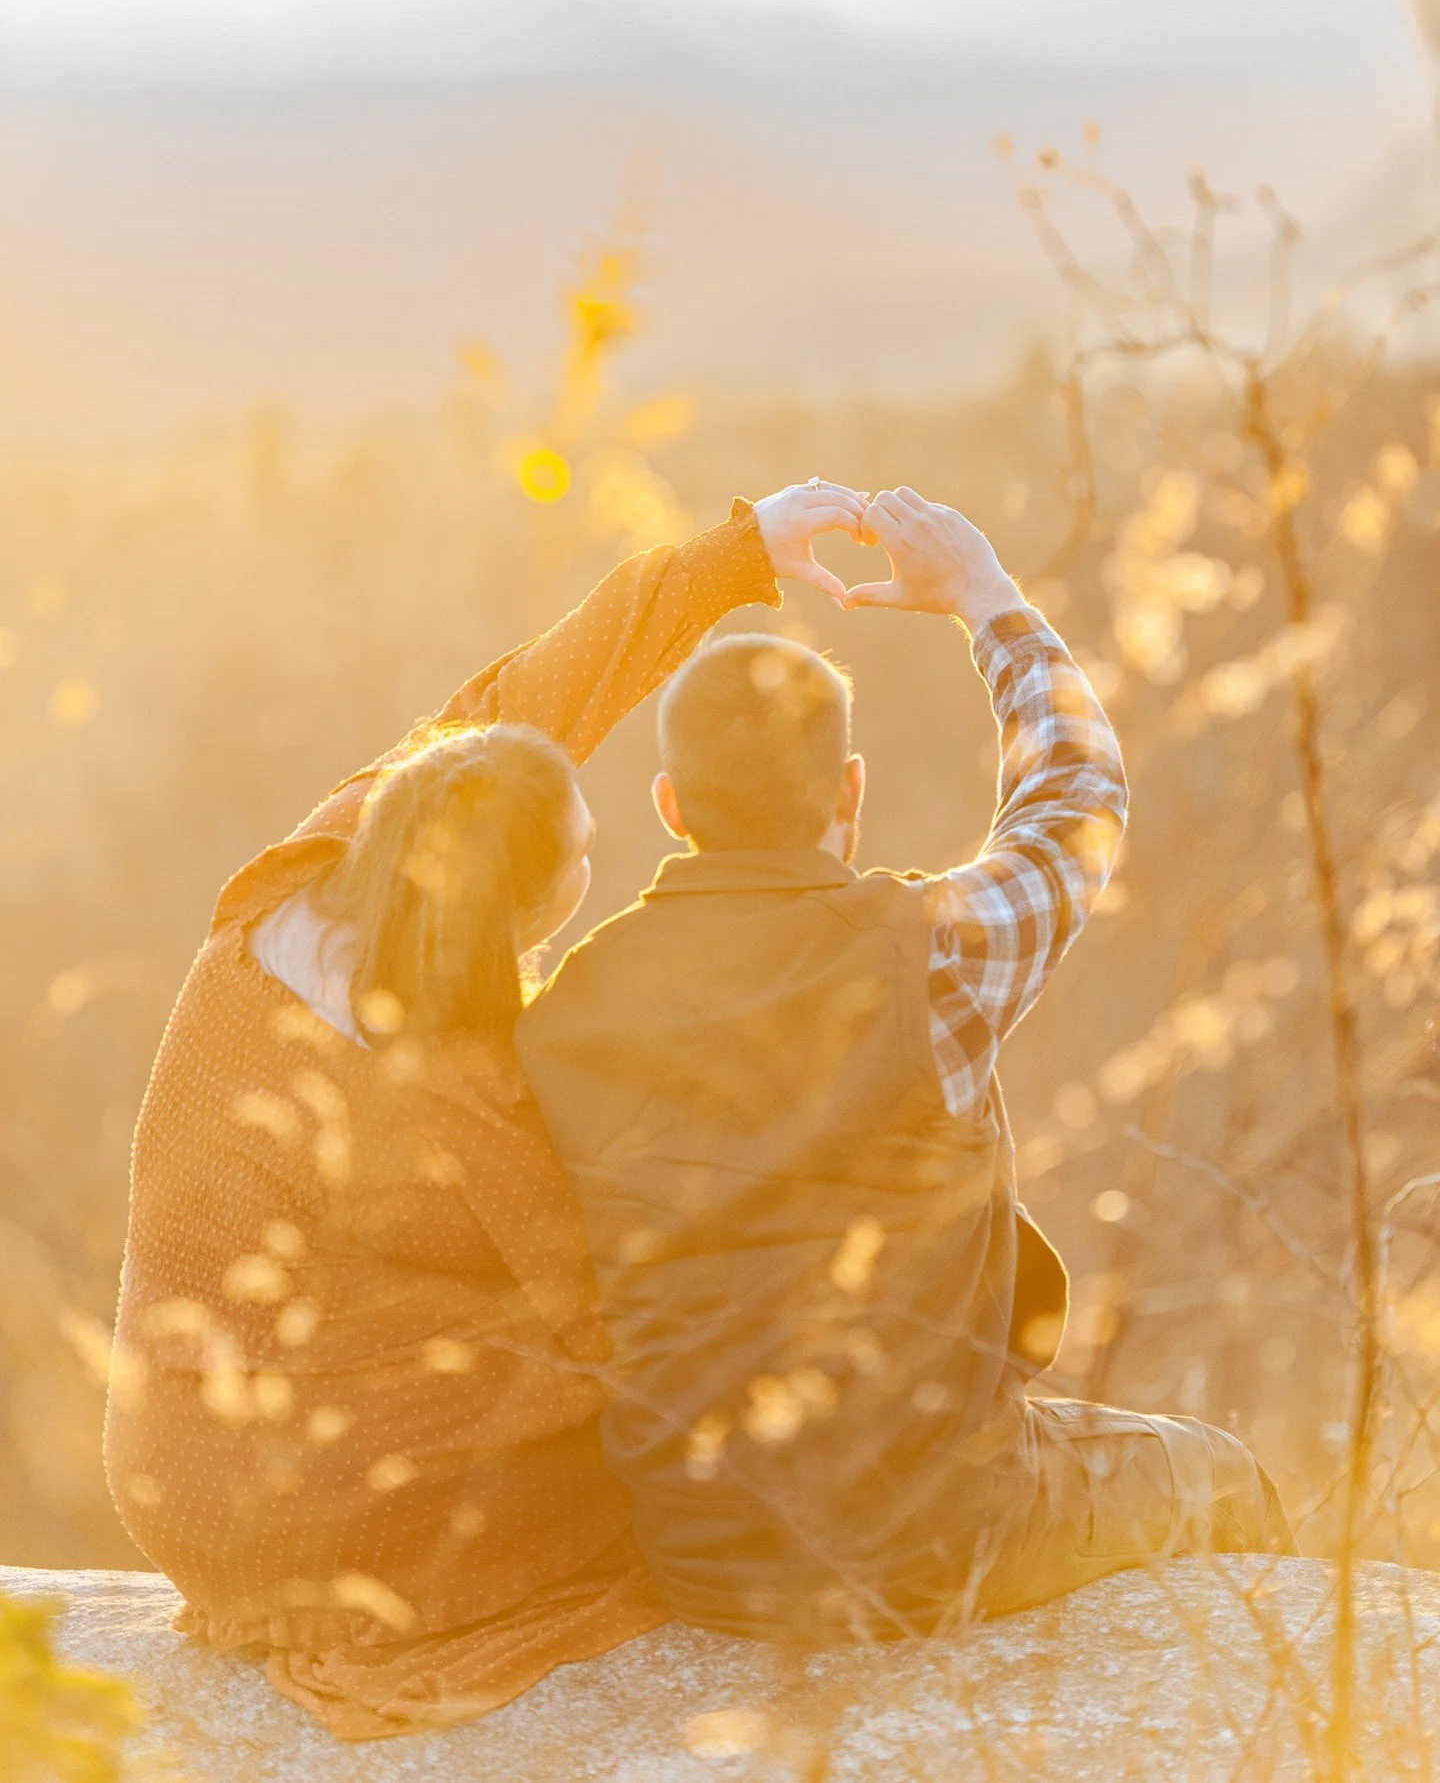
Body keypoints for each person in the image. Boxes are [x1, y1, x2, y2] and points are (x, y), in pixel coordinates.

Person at [103, 479, 870, 1741]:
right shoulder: (470, 1096)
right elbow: (596, 1309)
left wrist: (746, 551)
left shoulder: (327, 859)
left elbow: (519, 704)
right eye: (580, 858)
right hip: (287, 1511)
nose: (595, 860)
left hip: (165, 1453)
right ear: (524, 906)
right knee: (646, 1418)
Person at [516, 485, 1293, 1643]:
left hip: (695, 1550)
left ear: (672, 805)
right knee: (1228, 1474)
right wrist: (985, 598)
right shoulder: (931, 956)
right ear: (851, 791)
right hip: (937, 1537)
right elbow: (1076, 800)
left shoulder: (561, 1013)